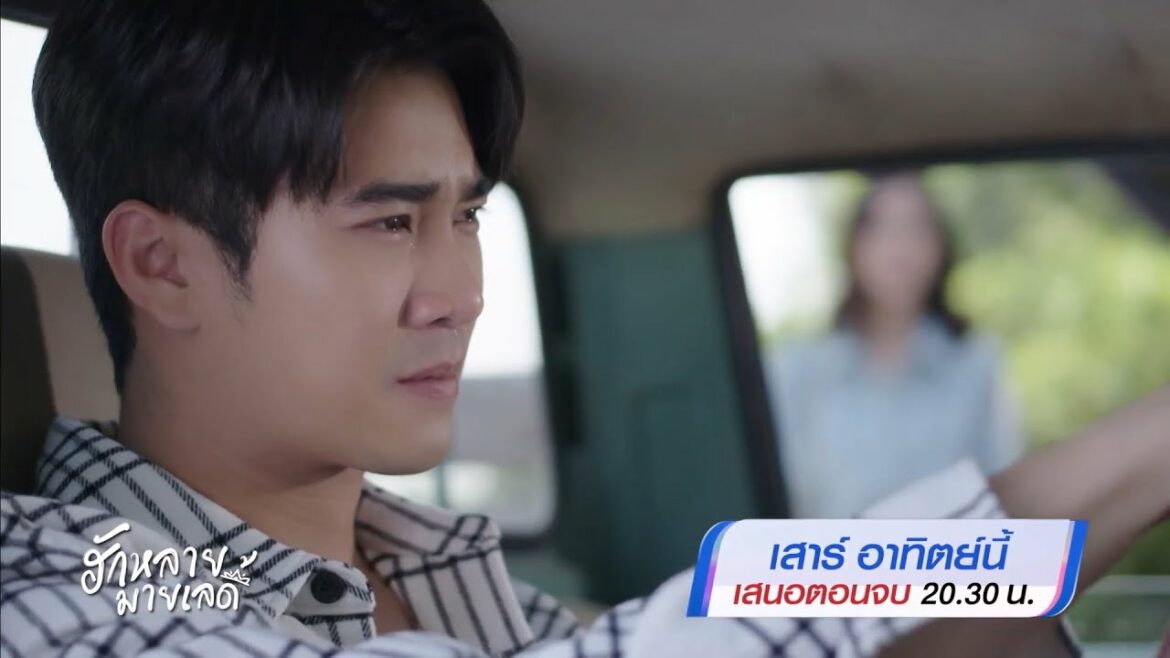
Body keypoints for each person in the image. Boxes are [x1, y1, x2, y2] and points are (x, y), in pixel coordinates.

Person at [0, 2, 1166, 656]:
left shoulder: (439, 574)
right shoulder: (72, 590)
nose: (459, 290)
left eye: (466, 217)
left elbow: (747, 609)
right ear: (162, 265)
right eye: (389, 223)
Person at [770, 172, 1022, 519]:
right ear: (855, 246)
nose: (901, 247)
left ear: (941, 249)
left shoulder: (974, 362)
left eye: (917, 229)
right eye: (884, 228)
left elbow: (1001, 487)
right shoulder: (798, 370)